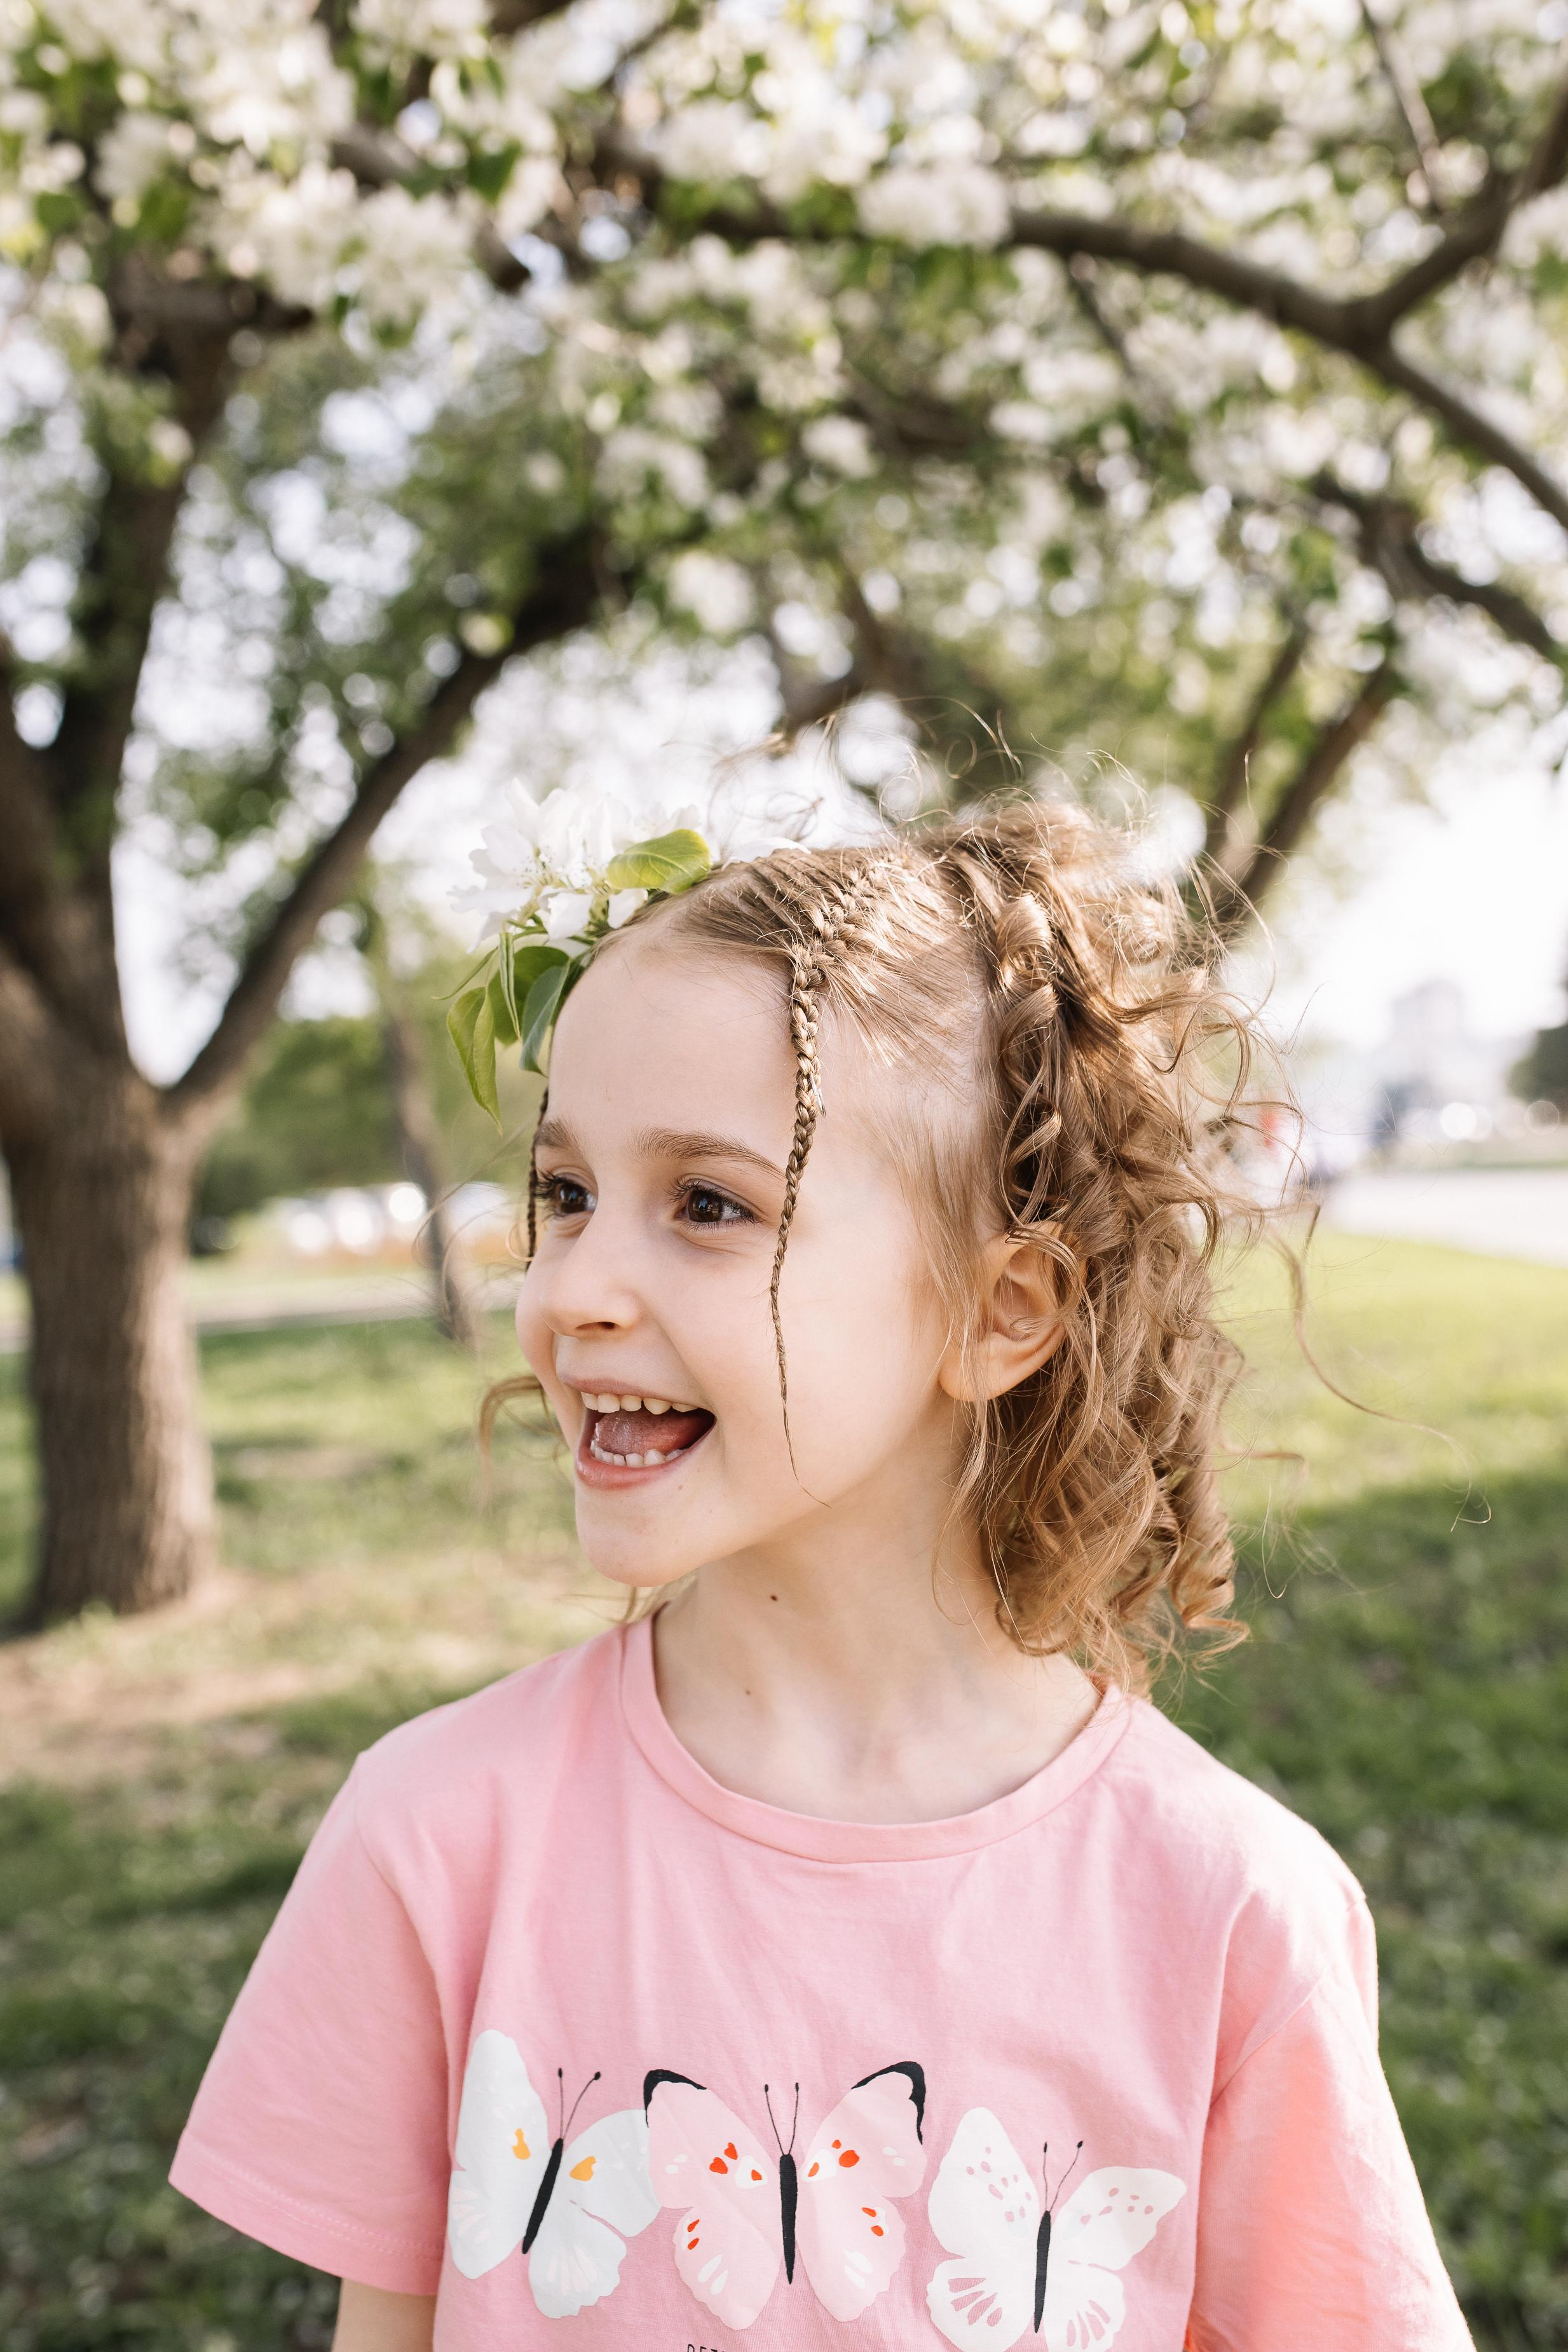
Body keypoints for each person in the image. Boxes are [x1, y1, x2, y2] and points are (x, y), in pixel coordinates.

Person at [170, 798, 1473, 2351]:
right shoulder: (436, 1834)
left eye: (710, 1204)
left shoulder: (1225, 1911)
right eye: (567, 1192)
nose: (574, 1286)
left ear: (1000, 1310)